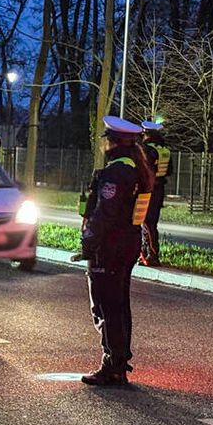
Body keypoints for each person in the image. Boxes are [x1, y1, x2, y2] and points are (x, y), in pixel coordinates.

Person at [78, 116, 154, 386]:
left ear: (113, 143)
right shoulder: (136, 169)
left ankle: (112, 364)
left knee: (105, 305)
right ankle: (119, 361)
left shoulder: (116, 172)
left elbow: (105, 214)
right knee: (120, 304)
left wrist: (88, 242)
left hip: (110, 247)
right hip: (128, 243)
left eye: (106, 141)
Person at [139, 120, 171, 266]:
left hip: (148, 190)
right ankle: (149, 254)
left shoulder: (146, 149)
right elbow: (169, 171)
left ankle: (150, 255)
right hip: (159, 189)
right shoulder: (164, 150)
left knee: (146, 222)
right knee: (151, 223)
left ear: (146, 134)